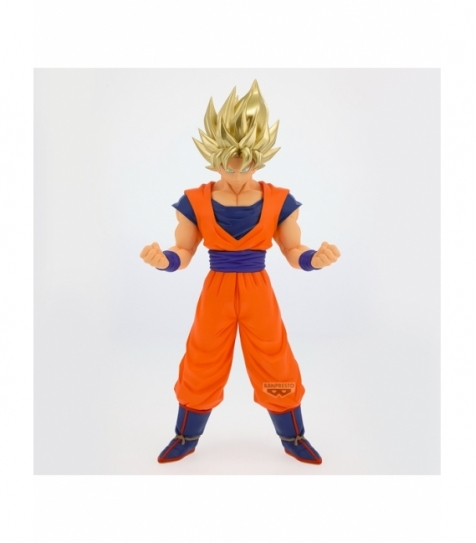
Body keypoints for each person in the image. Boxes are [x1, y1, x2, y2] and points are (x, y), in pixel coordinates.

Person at [140, 80, 340, 465]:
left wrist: (313, 258)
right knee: (202, 358)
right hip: (216, 289)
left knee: (274, 358)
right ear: (212, 156)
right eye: (227, 161)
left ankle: (293, 436)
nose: (236, 172)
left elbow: (292, 248)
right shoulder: (195, 200)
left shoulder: (279, 200)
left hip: (257, 290)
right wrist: (164, 260)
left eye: (245, 162)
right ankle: (186, 435)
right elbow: (184, 250)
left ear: (260, 157)